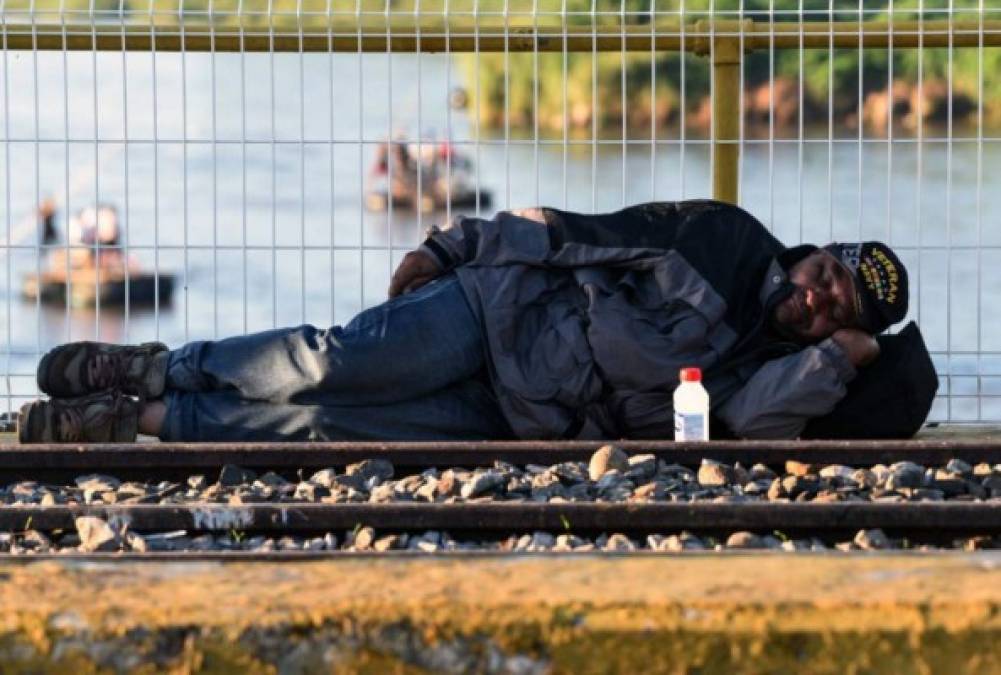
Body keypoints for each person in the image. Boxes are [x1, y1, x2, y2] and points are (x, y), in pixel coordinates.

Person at [16, 199, 909, 444]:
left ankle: (132, 421)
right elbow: (571, 234)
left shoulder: (780, 375)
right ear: (812, 252)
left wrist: (838, 357)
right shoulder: (723, 237)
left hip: (517, 419)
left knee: (323, 424)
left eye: (838, 308)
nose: (820, 293)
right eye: (825, 272)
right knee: (330, 366)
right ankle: (153, 367)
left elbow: (742, 425)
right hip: (494, 317)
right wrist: (450, 249)